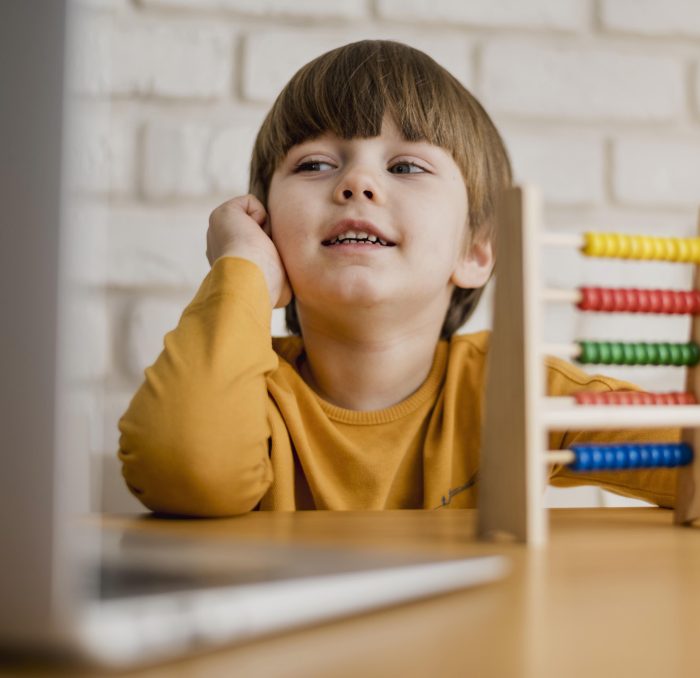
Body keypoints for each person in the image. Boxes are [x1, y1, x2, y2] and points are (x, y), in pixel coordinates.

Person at [118, 40, 678, 516]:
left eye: (405, 166)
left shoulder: (510, 392)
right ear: (265, 228)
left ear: (477, 250)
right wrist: (241, 271)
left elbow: (685, 460)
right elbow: (184, 464)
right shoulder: (250, 396)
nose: (357, 182)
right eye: (314, 164)